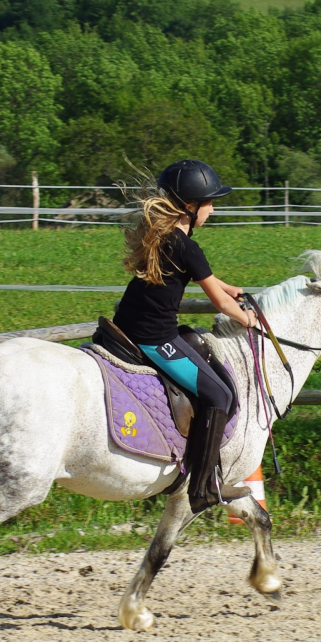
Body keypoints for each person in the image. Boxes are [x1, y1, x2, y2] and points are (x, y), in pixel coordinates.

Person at [112, 159, 256, 513]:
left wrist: (229, 286)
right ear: (190, 207)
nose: (213, 208)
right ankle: (202, 486)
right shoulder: (188, 246)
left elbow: (205, 279)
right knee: (219, 394)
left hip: (129, 322)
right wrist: (248, 319)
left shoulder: (164, 235)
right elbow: (220, 302)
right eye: (209, 202)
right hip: (152, 336)